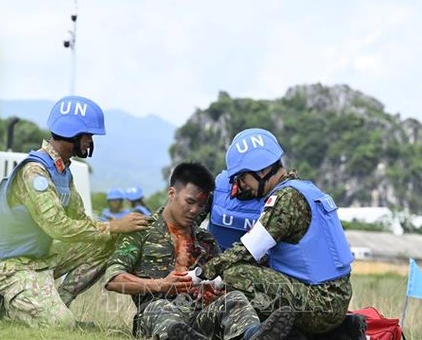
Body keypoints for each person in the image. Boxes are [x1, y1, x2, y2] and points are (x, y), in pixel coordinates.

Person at [0, 95, 150, 328]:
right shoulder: (35, 172)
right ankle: (4, 298)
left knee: (109, 241)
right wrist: (113, 225)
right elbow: (57, 226)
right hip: (9, 264)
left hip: (38, 255)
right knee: (60, 324)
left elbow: (80, 220)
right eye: (88, 135)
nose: (90, 141)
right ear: (72, 133)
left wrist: (117, 229)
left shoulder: (62, 171)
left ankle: (58, 301)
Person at [105, 162, 296, 340]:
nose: (195, 210)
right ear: (172, 193)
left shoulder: (205, 240)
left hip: (198, 317)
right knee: (161, 307)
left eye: (201, 205)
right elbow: (113, 279)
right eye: (190, 202)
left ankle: (252, 335)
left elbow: (221, 280)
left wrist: (214, 291)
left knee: (234, 298)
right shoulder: (140, 230)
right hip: (155, 316)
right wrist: (160, 285)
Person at [201, 128, 355, 337]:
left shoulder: (286, 199)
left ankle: (252, 333)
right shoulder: (305, 190)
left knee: (236, 274)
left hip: (320, 304)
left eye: (242, 177)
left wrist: (201, 275)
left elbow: (248, 249)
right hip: (333, 299)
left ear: (262, 172)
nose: (241, 185)